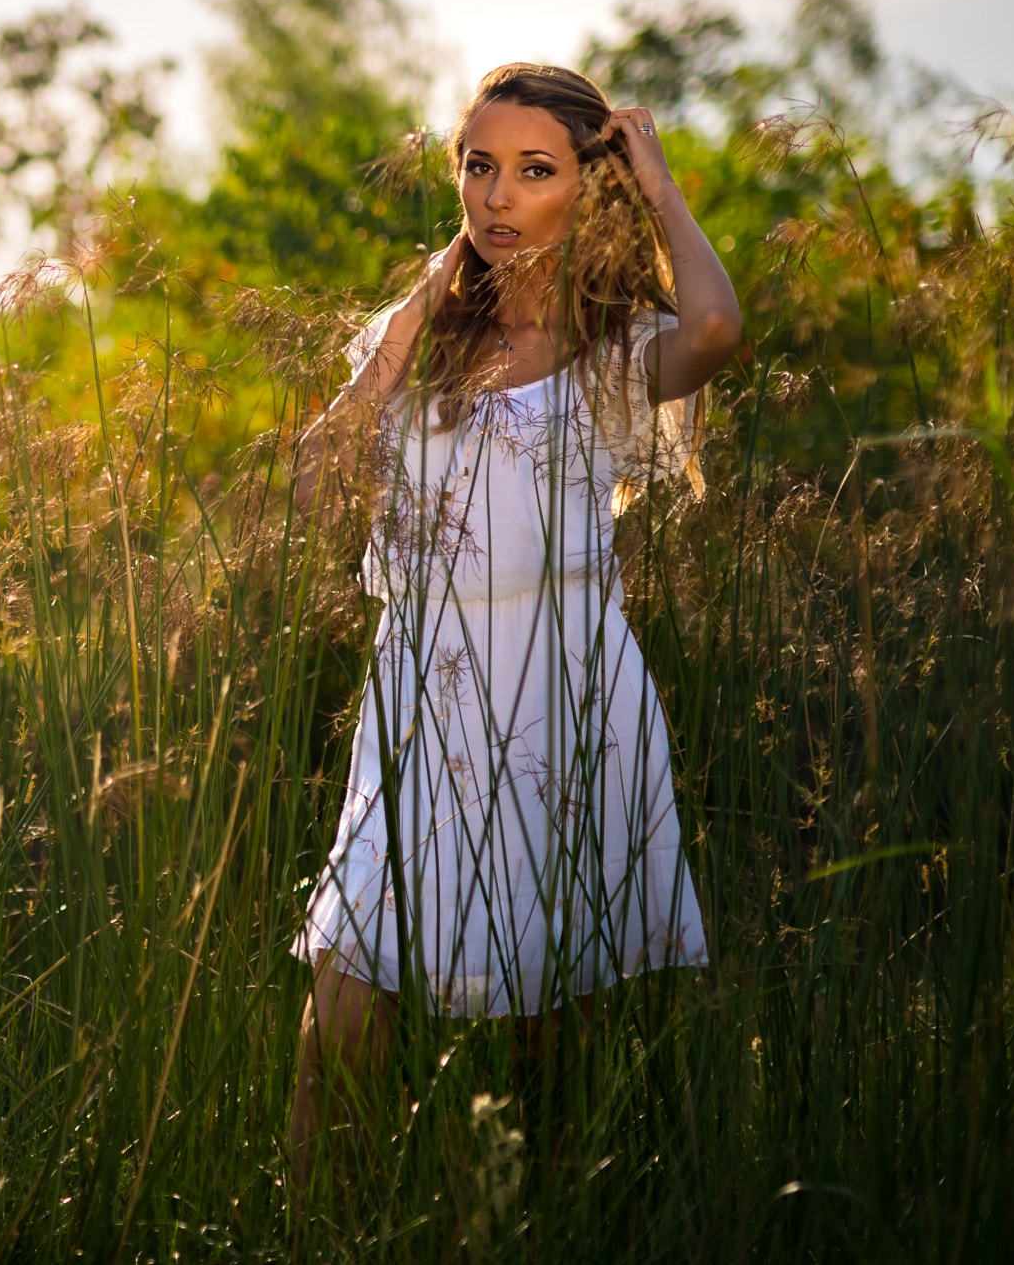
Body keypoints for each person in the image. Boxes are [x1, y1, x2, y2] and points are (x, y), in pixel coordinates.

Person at [285, 63, 741, 1198]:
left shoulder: (613, 352)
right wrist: (410, 316)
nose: (496, 197)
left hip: (566, 693)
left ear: (585, 190)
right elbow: (313, 477)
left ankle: (533, 1221)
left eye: (533, 172)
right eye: (477, 167)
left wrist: (660, 184)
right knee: (341, 1010)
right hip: (421, 690)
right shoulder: (418, 344)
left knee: (554, 1029)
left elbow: (719, 326)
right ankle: (316, 1231)